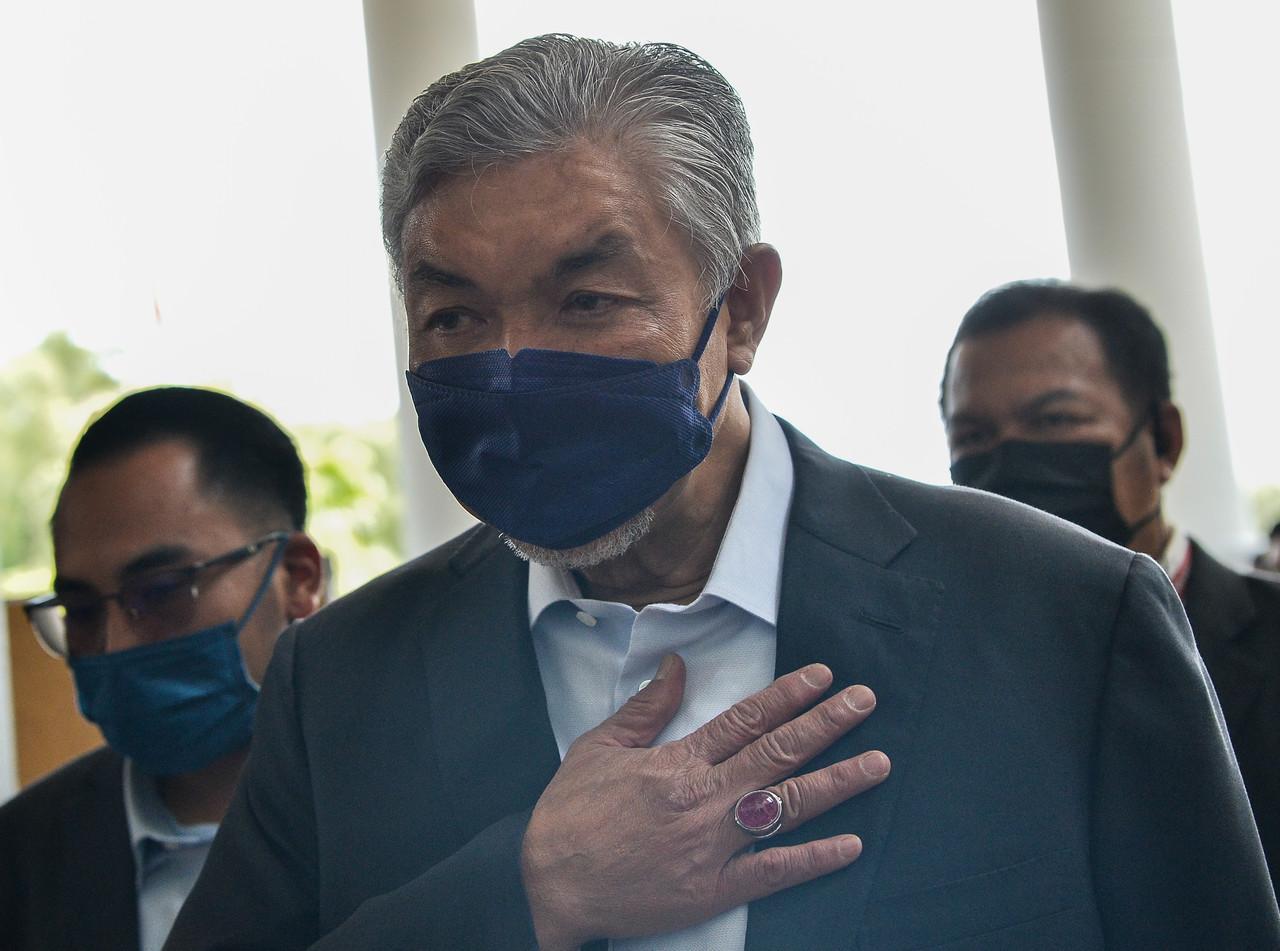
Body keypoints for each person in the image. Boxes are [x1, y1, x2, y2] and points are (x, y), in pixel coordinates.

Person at [169, 36, 1278, 950]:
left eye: (589, 300)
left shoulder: (1063, 621)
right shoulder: (342, 683)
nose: (512, 369)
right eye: (454, 317)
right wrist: (526, 892)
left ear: (740, 307)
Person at [941, 279, 1280, 896]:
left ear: (1164, 442)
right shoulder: (934, 680)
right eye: (973, 439)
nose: (1011, 461)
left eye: (1056, 420)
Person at [0, 387, 324, 951]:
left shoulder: (422, 807)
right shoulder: (18, 860)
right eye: (80, 611)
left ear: (296, 578)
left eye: (162, 589)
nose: (114, 644)